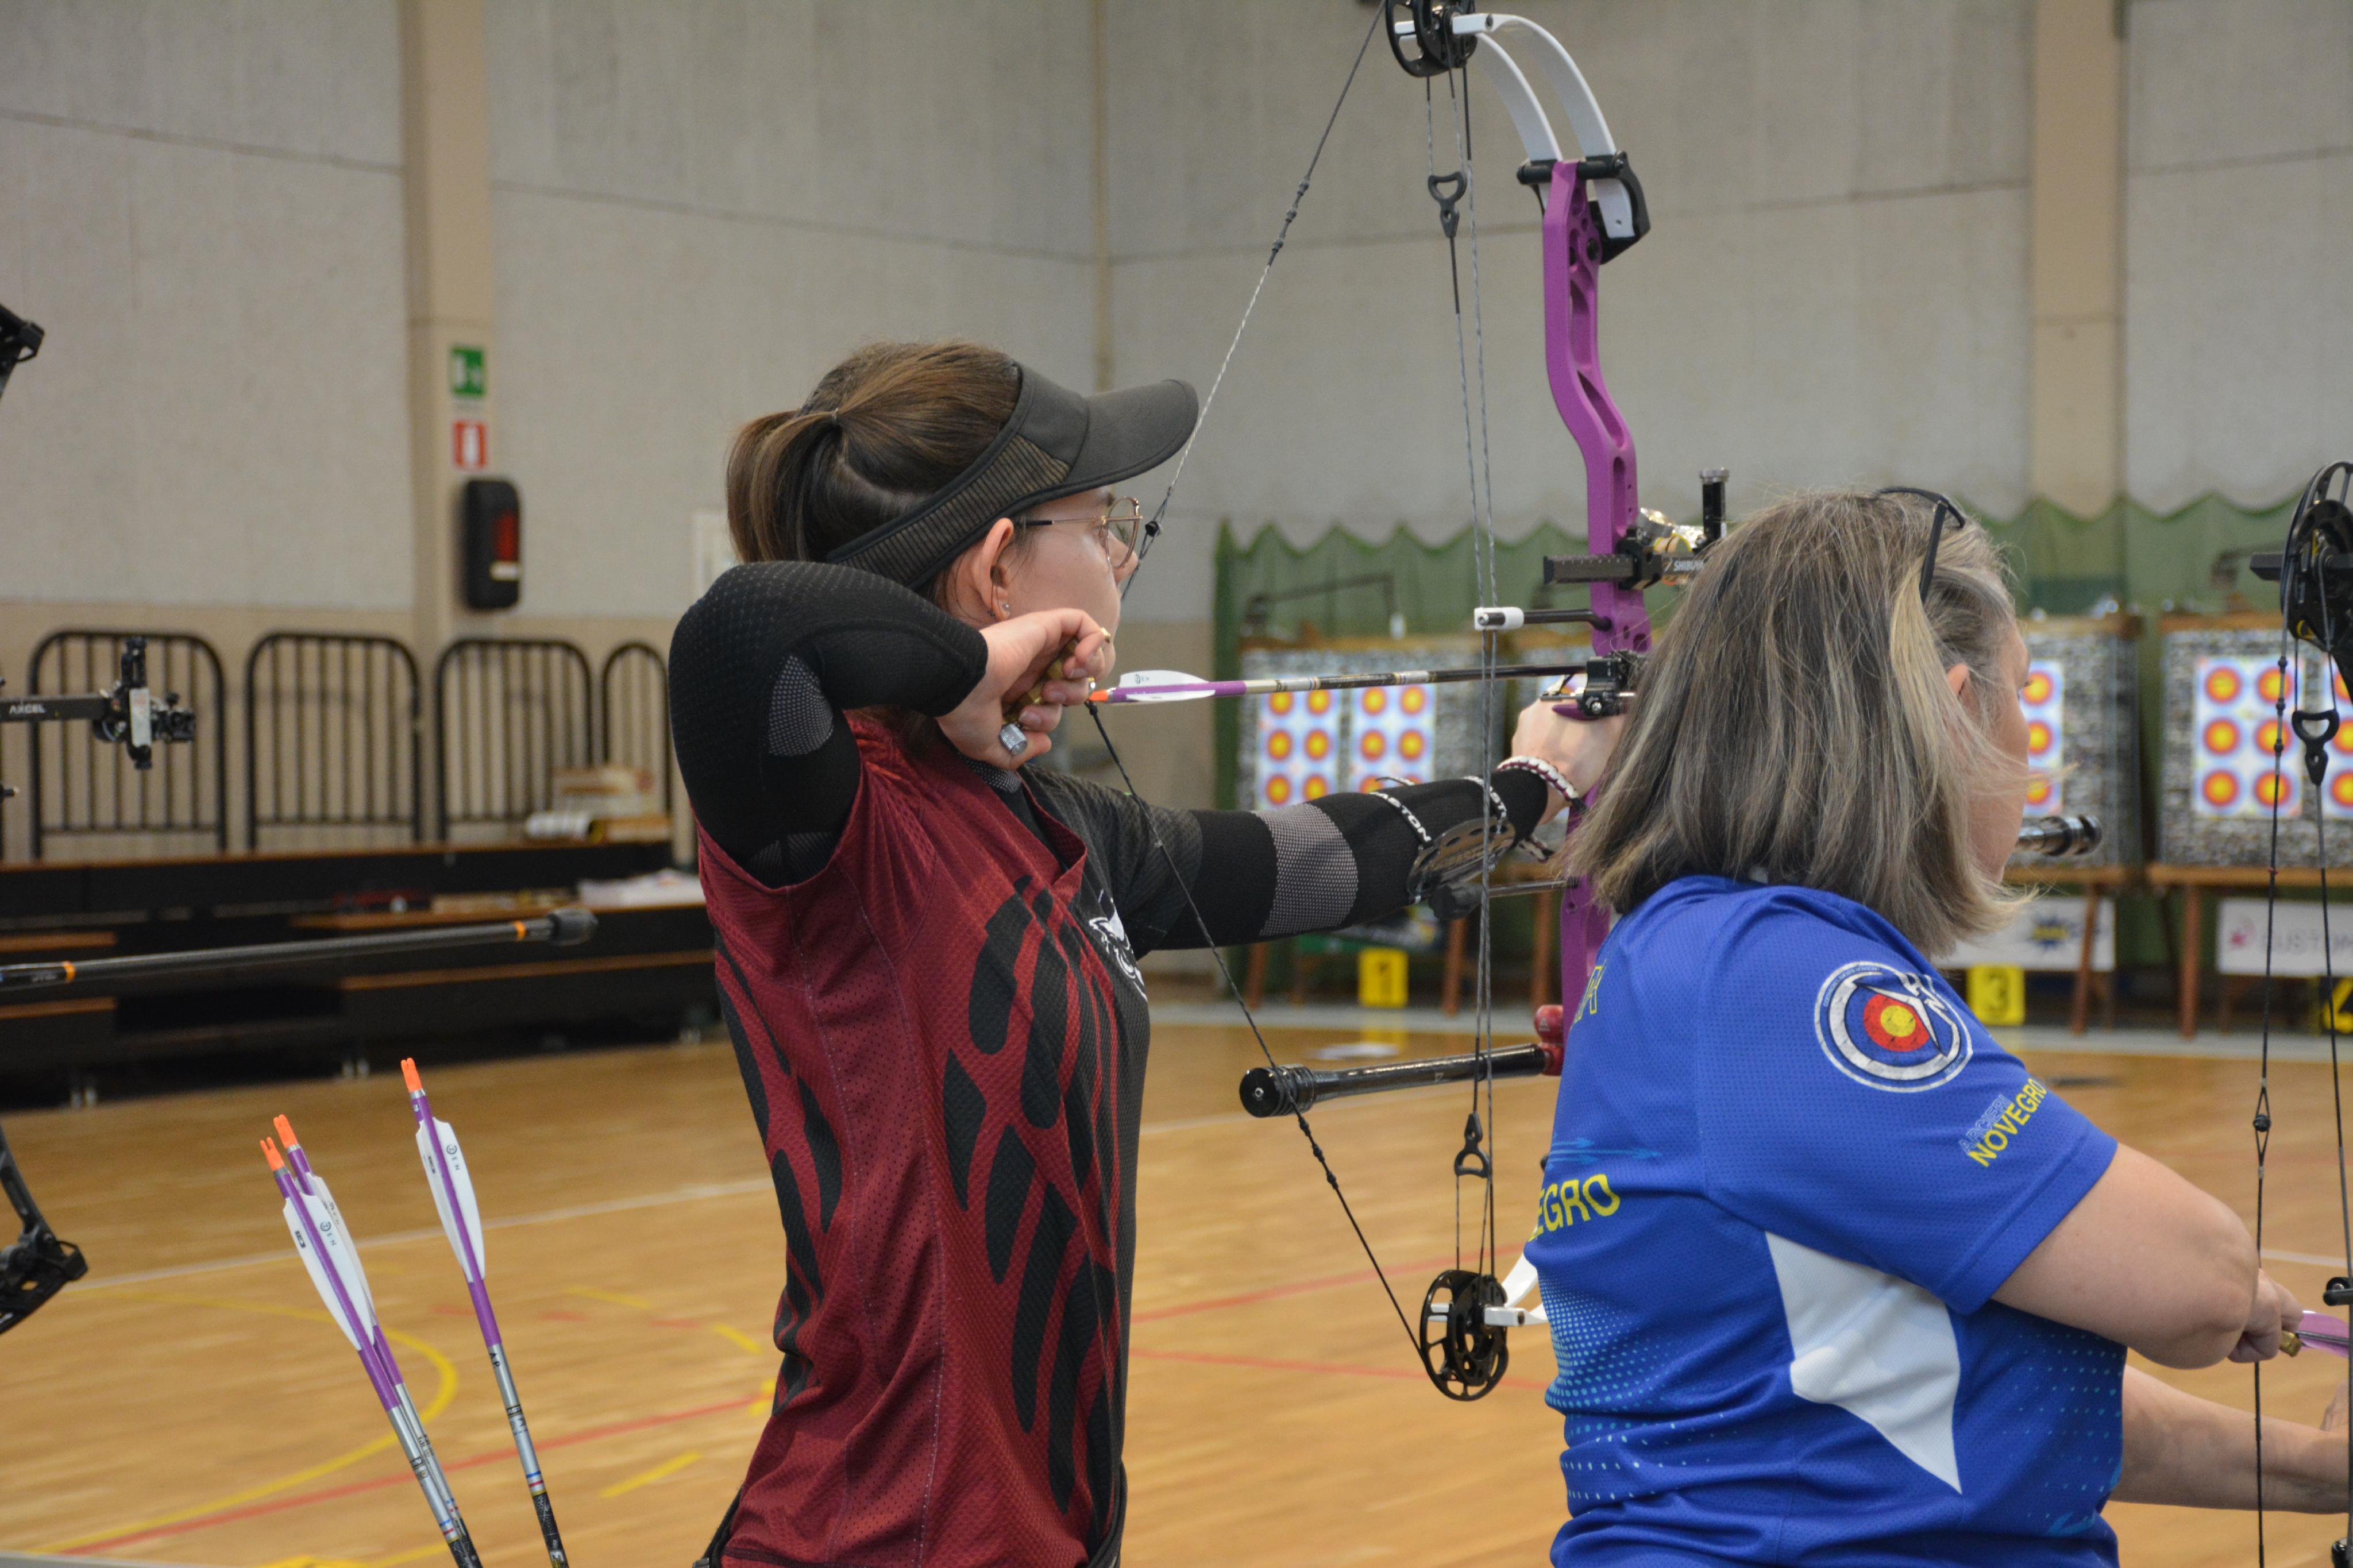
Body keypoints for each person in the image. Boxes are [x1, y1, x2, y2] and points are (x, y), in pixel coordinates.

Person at [668, 338, 1620, 1568]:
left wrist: (1532, 781)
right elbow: (741, 629)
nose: (1124, 552)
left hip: (1046, 1528)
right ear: (998, 566)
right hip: (871, 1533)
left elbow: (1308, 861)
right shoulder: (831, 820)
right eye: (1102, 522)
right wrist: (970, 667)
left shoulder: (1058, 823)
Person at [1527, 488, 2348, 1565]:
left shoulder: (1695, 949)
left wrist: (2318, 1469)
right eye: (2022, 698)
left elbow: (1958, 1394)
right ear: (1954, 716)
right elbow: (2197, 1282)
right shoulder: (1783, 980)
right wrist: (2226, 1287)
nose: (2030, 748)